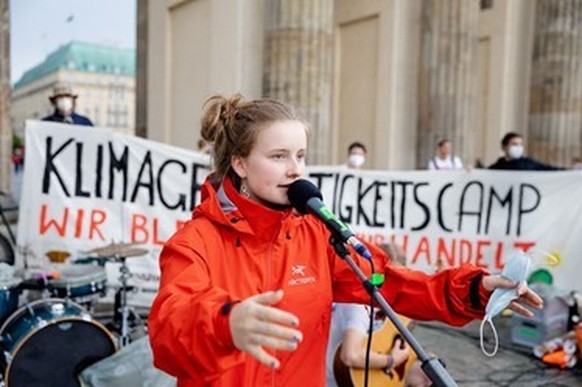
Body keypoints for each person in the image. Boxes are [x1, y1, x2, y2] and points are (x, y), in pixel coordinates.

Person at [148, 94, 543, 387]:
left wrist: (474, 289)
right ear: (239, 164)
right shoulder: (195, 240)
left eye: (300, 156)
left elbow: (390, 282)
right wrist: (226, 323)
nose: (294, 170)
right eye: (279, 156)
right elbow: (169, 328)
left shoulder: (317, 232)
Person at [326, 244, 430, 387]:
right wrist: (391, 360)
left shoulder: (382, 304)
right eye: (387, 278)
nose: (394, 286)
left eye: (398, 279)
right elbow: (351, 355)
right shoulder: (360, 304)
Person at [488, 132, 560, 170]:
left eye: (520, 144)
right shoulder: (496, 168)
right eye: (514, 144)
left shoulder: (529, 164)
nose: (518, 147)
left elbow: (549, 169)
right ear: (504, 146)